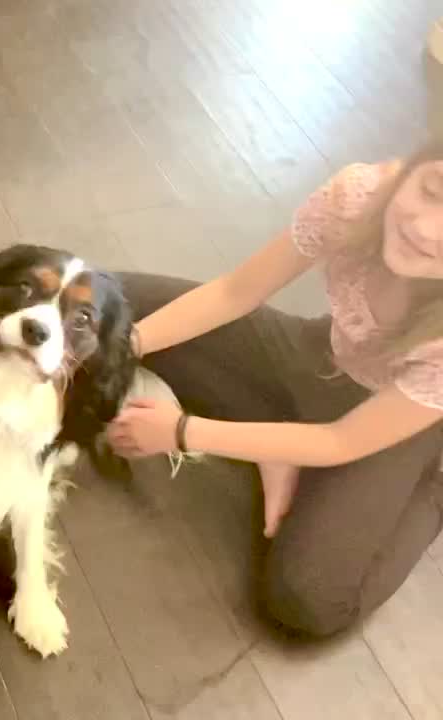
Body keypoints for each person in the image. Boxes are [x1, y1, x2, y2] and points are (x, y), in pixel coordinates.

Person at [106, 141, 443, 637]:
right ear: (411, 168)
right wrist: (127, 345)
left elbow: (342, 441)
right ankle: (276, 445)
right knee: (111, 302)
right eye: (432, 189)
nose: (426, 228)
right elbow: (234, 292)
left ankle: (432, 487)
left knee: (307, 596)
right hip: (321, 359)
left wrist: (181, 432)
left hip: (398, 423)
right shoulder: (359, 198)